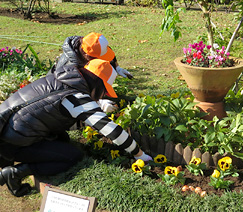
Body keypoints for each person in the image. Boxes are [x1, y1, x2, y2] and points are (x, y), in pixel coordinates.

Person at [0, 59, 152, 197]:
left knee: (64, 140)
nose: (102, 95)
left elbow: (56, 110)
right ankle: (14, 173)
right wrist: (140, 155)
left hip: (8, 129)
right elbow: (112, 131)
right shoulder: (77, 98)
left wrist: (97, 105)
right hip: (12, 144)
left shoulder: (61, 77)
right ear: (98, 85)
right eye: (104, 90)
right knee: (72, 156)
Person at [51, 32, 133, 113]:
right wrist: (99, 103)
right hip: (58, 100)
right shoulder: (70, 69)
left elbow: (110, 57)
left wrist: (117, 68)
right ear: (87, 56)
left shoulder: (93, 44)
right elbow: (73, 94)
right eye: (100, 58)